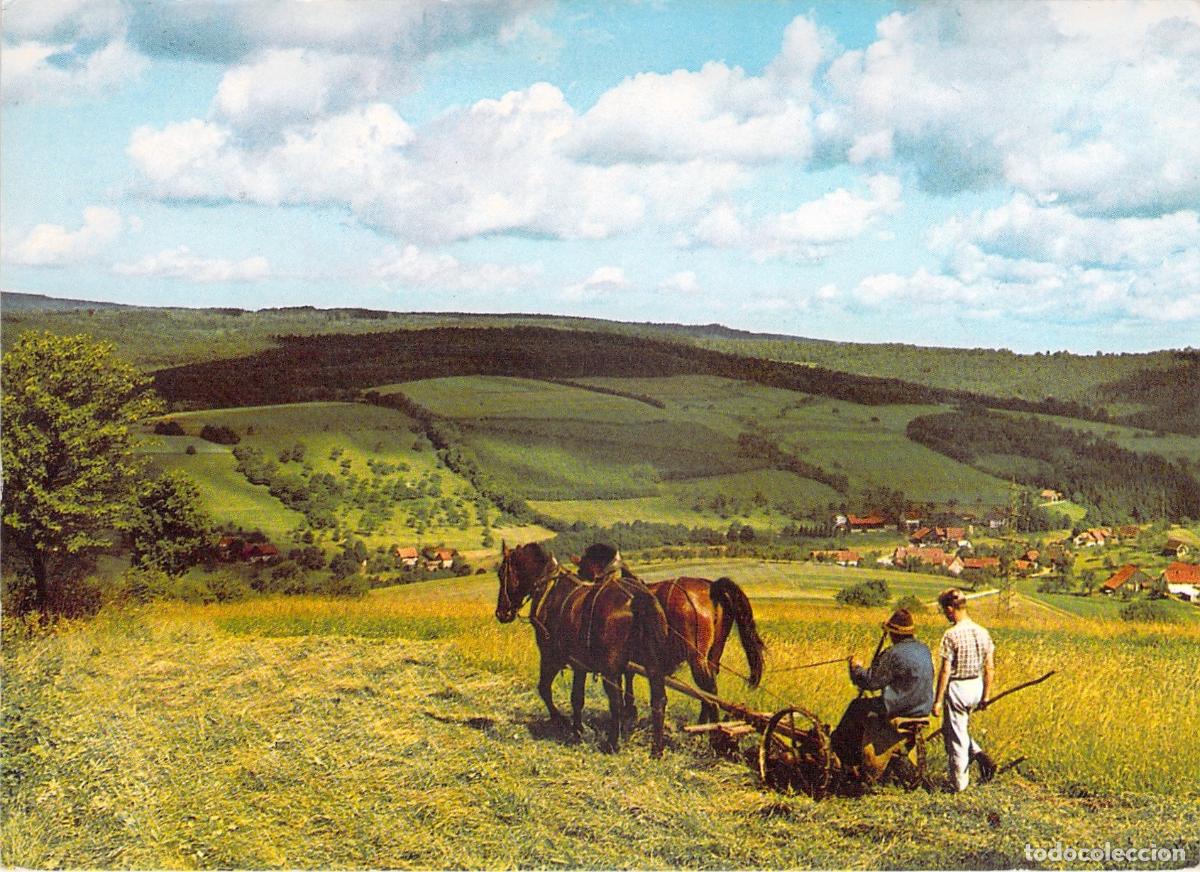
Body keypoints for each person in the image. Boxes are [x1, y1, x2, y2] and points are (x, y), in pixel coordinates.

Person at [829, 608, 934, 772]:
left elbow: (870, 682)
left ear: (893, 633)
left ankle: (841, 751)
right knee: (865, 706)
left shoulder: (893, 654)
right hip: (921, 707)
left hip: (899, 708)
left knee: (856, 706)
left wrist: (855, 667)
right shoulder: (923, 649)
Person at [932, 588, 997, 791]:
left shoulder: (951, 635)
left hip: (958, 687)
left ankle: (959, 785)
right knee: (953, 729)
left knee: (956, 738)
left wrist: (938, 700)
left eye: (945, 611)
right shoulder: (982, 632)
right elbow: (989, 667)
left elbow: (945, 671)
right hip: (976, 685)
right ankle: (978, 755)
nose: (945, 615)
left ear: (951, 609)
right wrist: (985, 695)